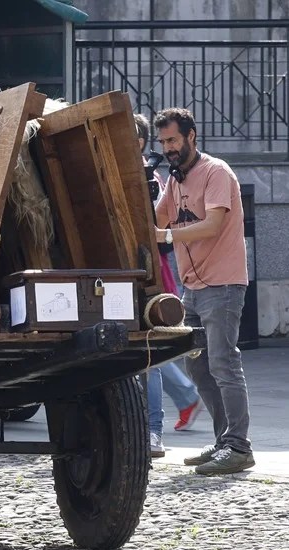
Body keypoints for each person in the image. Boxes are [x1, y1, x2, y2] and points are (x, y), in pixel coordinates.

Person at [153, 108, 254, 475]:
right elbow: (155, 219)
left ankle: (240, 447)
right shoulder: (175, 179)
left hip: (223, 284)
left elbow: (211, 226)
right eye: (163, 142)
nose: (168, 148)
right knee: (197, 366)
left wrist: (165, 236)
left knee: (224, 363)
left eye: (173, 140)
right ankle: (225, 441)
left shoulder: (216, 172)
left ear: (191, 136)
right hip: (192, 288)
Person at [134, 115, 203, 459]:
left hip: (152, 274)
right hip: (126, 271)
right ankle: (185, 396)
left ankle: (153, 430)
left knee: (150, 352)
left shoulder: (153, 179)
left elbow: (162, 232)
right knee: (147, 353)